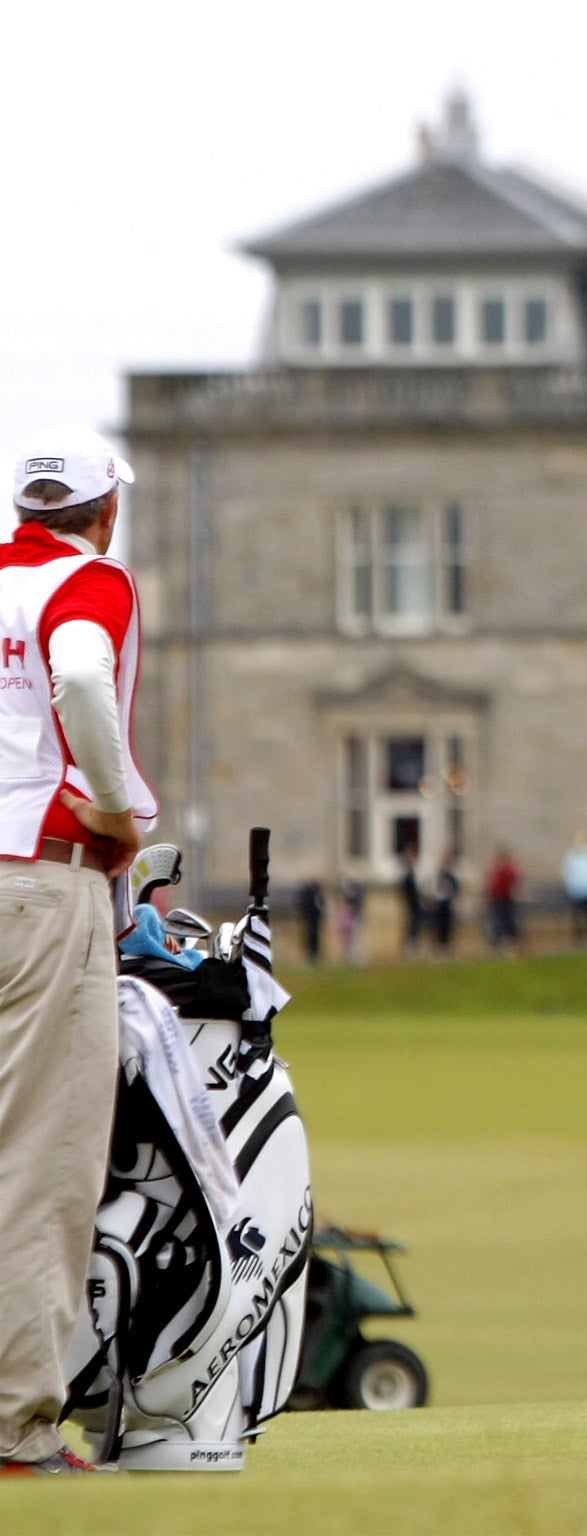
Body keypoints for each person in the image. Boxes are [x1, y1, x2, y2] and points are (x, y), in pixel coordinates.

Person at [0, 430, 159, 1475]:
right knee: (40, 1158)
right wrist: (122, 807)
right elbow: (86, 685)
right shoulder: (88, 581)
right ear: (104, 513)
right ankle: (17, 1424)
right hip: (41, 882)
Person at [561, 832, 587, 943]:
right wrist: (569, 886)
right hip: (576, 889)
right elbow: (568, 872)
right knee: (577, 915)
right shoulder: (572, 856)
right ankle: (579, 935)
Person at [484, 847, 522, 955]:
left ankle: (513, 945)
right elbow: (491, 886)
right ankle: (501, 946)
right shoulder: (496, 871)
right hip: (497, 901)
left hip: (506, 901)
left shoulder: (509, 870)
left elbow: (514, 884)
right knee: (498, 925)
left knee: (509, 924)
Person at [430, 851, 459, 953]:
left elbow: (455, 889)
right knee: (439, 925)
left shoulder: (451, 876)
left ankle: (446, 944)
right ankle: (440, 944)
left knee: (448, 925)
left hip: (448, 904)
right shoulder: (439, 875)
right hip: (439, 903)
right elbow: (435, 889)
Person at [297, 878, 327, 965]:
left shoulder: (318, 892)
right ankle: (310, 953)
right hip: (309, 917)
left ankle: (316, 954)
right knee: (309, 935)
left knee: (316, 936)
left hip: (316, 918)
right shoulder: (308, 893)